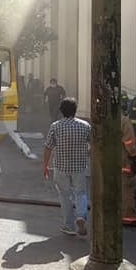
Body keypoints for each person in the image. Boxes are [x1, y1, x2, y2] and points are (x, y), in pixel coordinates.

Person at [42, 97, 91, 237]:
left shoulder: (55, 126)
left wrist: (45, 165)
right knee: (81, 193)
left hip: (61, 167)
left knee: (64, 196)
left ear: (61, 111)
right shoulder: (85, 126)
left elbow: (48, 148)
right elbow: (94, 144)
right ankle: (81, 216)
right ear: (75, 110)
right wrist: (87, 152)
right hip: (79, 166)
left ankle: (68, 226)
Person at [121, 113, 136, 228]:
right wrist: (135, 156)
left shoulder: (102, 119)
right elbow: (129, 142)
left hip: (107, 164)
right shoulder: (123, 121)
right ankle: (128, 218)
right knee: (128, 190)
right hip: (123, 163)